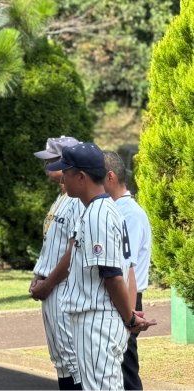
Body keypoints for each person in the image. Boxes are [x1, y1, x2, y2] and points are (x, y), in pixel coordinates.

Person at [46, 143, 156, 390]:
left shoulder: (99, 214)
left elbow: (115, 277)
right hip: (98, 317)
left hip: (99, 320)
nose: (62, 178)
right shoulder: (100, 209)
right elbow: (124, 271)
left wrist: (129, 318)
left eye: (67, 172)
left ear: (82, 177)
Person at [29, 137, 83, 390]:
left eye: (53, 159)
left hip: (64, 288)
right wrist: (39, 276)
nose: (47, 164)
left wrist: (47, 283)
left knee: (73, 362)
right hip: (51, 287)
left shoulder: (77, 201)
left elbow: (72, 252)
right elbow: (52, 247)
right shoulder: (62, 197)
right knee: (61, 360)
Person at [103, 150, 152, 391]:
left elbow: (126, 269)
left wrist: (129, 314)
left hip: (127, 299)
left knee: (126, 373)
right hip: (120, 299)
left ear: (110, 177)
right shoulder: (115, 210)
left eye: (95, 176)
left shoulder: (129, 214)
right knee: (116, 371)